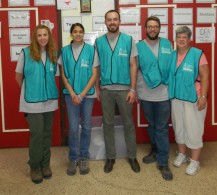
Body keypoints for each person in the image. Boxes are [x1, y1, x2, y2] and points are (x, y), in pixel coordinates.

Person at [95, 10, 140, 173]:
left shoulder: (128, 40)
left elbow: (133, 65)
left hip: (125, 90)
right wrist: (96, 88)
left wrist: (133, 89)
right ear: (105, 22)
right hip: (106, 89)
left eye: (115, 19)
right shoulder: (99, 42)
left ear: (119, 21)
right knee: (107, 124)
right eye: (109, 19)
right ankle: (111, 157)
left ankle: (133, 156)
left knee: (128, 123)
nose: (112, 22)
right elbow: (97, 66)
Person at [15, 24, 58, 184]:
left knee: (47, 134)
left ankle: (45, 165)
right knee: (37, 135)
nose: (42, 38)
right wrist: (31, 89)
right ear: (35, 37)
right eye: (39, 35)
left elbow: (55, 75)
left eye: (45, 35)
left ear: (49, 36)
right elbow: (18, 76)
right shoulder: (26, 53)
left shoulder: (53, 53)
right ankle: (34, 167)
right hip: (32, 103)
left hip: (49, 102)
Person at [136, 16, 173, 181]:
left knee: (162, 127)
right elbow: (134, 70)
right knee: (152, 125)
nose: (152, 29)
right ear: (145, 28)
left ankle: (163, 162)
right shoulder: (138, 47)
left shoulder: (167, 44)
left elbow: (172, 66)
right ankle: (155, 150)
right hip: (145, 94)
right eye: (150, 26)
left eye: (155, 26)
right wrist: (135, 91)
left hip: (164, 94)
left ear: (159, 28)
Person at [169, 26, 209, 176]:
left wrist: (203, 97)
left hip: (194, 99)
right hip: (177, 98)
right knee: (179, 128)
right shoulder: (173, 55)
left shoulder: (197, 54)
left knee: (194, 129)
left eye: (184, 37)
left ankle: (195, 161)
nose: (181, 39)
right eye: (179, 37)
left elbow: (205, 76)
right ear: (176, 38)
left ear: (189, 39)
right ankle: (182, 154)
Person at [59, 23, 98, 176]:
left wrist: (81, 95)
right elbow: (63, 74)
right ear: (71, 33)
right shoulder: (64, 51)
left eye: (81, 32)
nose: (78, 34)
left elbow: (94, 75)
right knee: (74, 127)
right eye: (75, 32)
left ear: (84, 34)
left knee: (87, 126)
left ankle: (84, 157)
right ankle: (73, 158)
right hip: (70, 95)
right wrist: (73, 94)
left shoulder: (91, 50)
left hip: (87, 95)